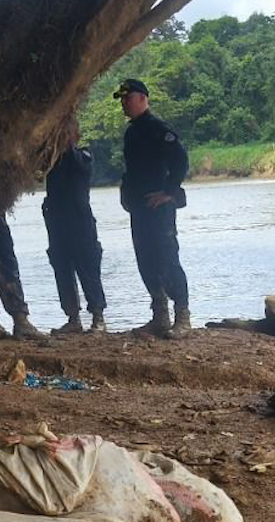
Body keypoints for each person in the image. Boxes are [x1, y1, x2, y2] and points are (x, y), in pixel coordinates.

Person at [114, 78, 191, 338]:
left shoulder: (159, 129)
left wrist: (169, 191)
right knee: (145, 259)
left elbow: (181, 161)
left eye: (128, 98)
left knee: (167, 258)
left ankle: (182, 316)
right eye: (122, 100)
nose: (124, 104)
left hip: (159, 208)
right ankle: (160, 316)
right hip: (139, 208)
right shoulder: (131, 132)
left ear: (143, 98)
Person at [43, 116, 107, 334]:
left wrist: (67, 143)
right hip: (57, 225)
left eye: (66, 134)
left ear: (75, 136)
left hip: (81, 224)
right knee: (62, 269)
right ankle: (73, 318)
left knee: (88, 268)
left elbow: (79, 163)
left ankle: (98, 316)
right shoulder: (52, 161)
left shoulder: (83, 156)